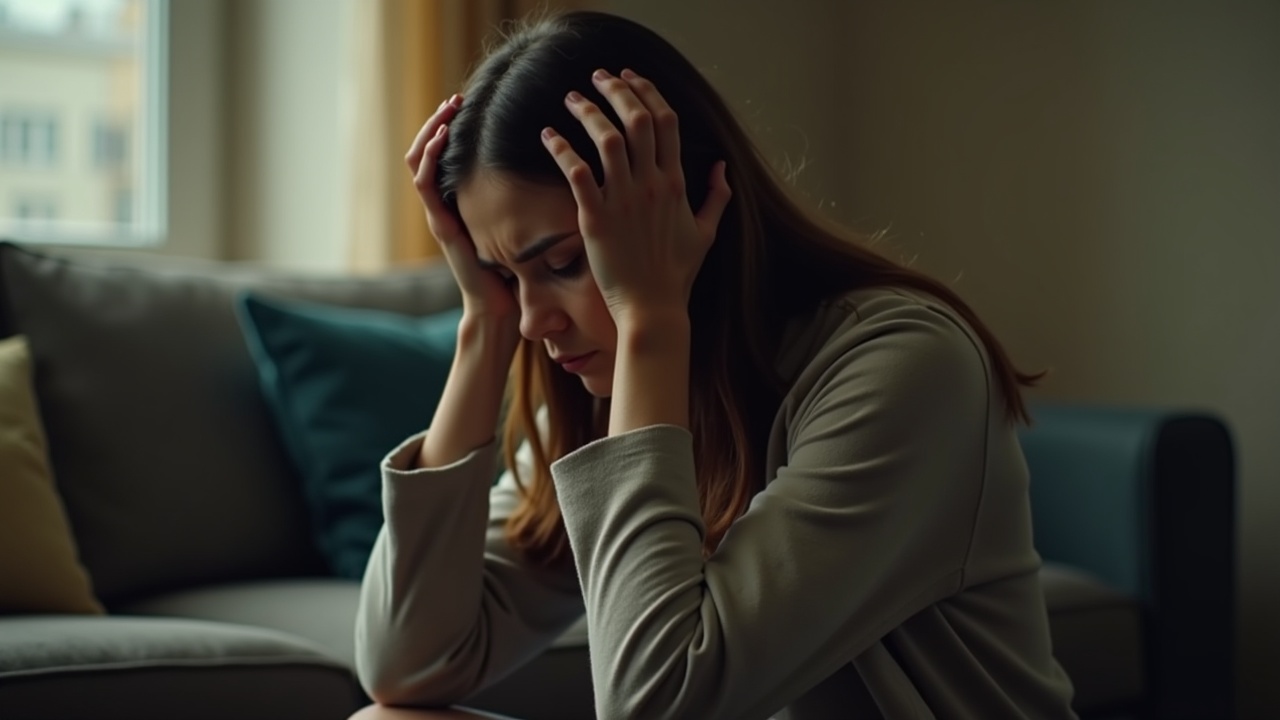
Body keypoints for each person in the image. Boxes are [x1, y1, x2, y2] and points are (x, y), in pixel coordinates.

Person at [350, 9, 1077, 720]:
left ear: (689, 209)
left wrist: (650, 320)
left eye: (566, 262)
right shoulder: (607, 390)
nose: (536, 321)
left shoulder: (905, 367)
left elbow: (658, 704)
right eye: (506, 277)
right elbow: (406, 665)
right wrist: (485, 326)